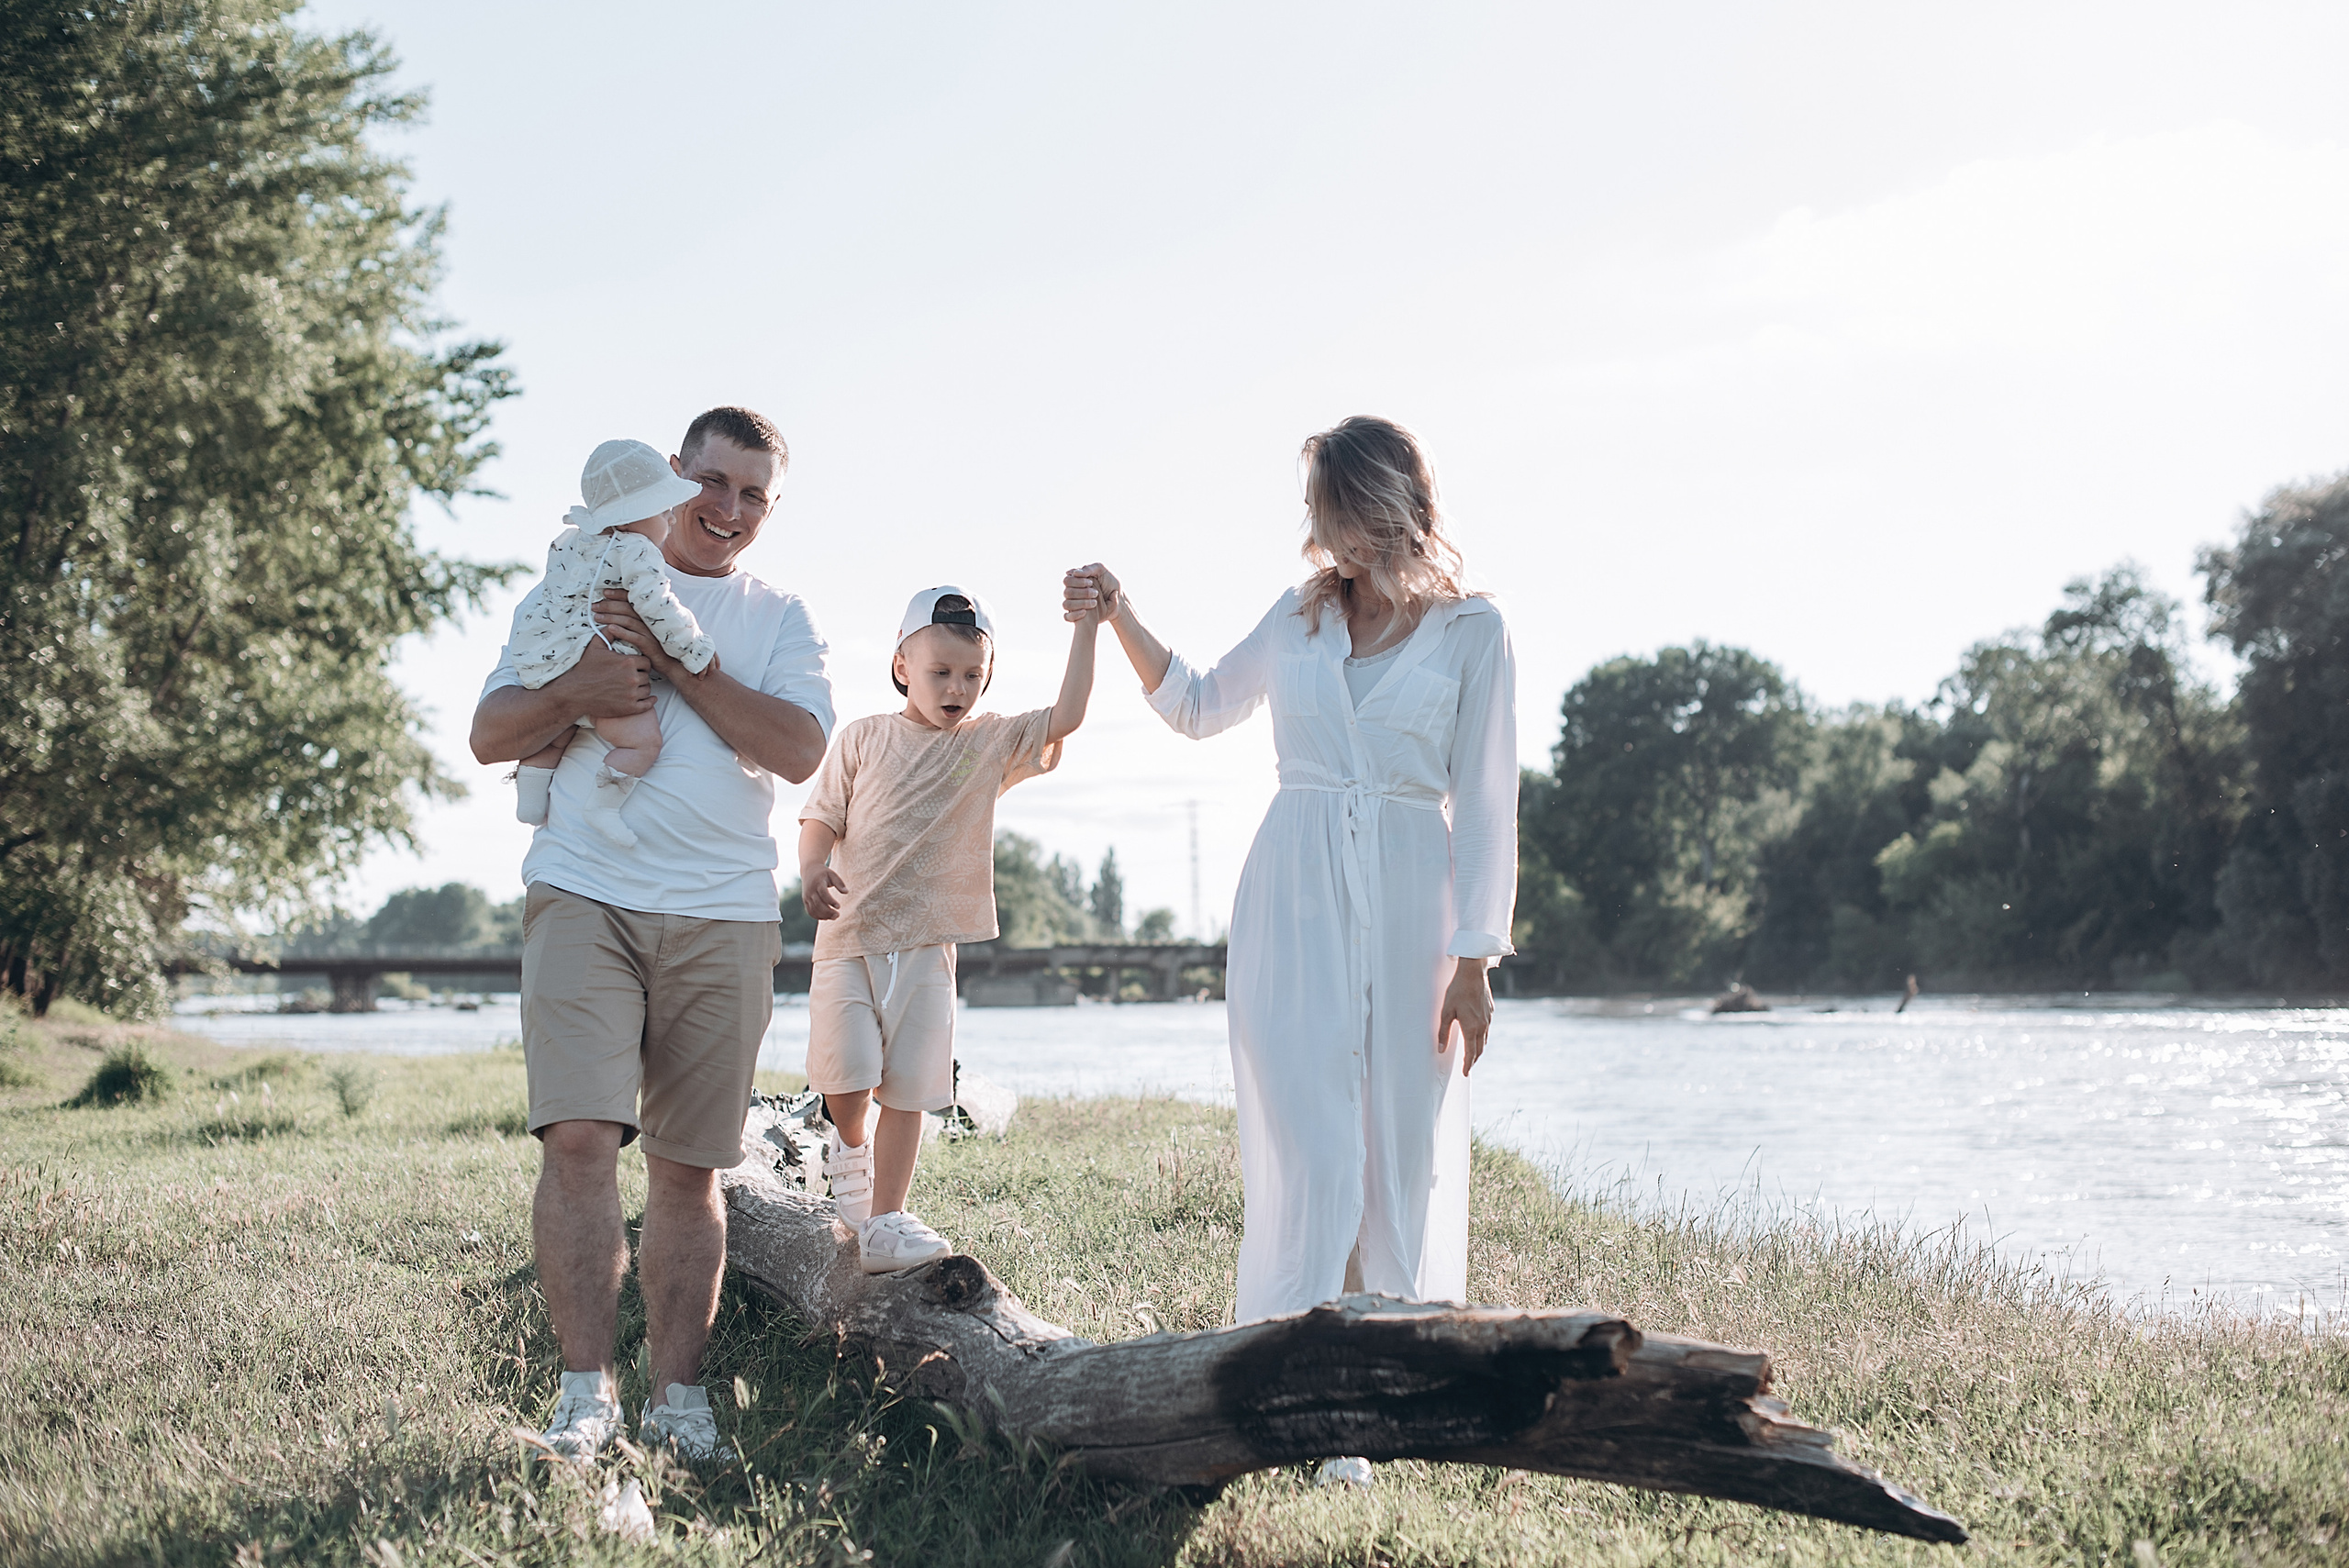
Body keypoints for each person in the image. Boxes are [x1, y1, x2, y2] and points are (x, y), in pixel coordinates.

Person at [1063, 414, 1515, 1490]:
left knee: (1393, 1150)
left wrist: (1475, 956)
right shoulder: (1299, 617)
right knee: (1316, 1146)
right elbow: (1196, 703)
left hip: (1413, 890)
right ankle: (1305, 1398)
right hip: (1293, 891)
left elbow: (1491, 797)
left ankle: (1379, 1382)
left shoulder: (1472, 632)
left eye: (1345, 514)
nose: (1331, 540)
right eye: (1321, 517)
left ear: (1397, 504)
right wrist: (1119, 613)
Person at [467, 406, 833, 1464]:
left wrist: (680, 665)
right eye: (712, 482)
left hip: (722, 911)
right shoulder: (578, 575)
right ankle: (587, 1396)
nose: (727, 509)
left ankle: (680, 1401)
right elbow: (491, 732)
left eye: (753, 493)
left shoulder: (778, 614)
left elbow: (800, 748)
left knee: (687, 1166)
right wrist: (579, 690)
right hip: (583, 886)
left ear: (769, 507)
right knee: (578, 1136)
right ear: (674, 477)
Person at [797, 584, 1100, 1272]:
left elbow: (1069, 715)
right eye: (941, 672)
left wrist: (1087, 628)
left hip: (931, 948)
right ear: (903, 665)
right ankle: (847, 1146)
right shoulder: (865, 737)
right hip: (850, 938)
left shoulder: (987, 743)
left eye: (972, 674)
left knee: (910, 1087)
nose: (958, 686)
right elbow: (821, 818)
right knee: (848, 1076)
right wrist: (814, 868)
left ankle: (885, 1221)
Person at [507, 439, 720, 848]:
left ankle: (531, 799)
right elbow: (657, 606)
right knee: (643, 741)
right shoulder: (637, 549)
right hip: (606, 670)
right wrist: (694, 648)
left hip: (545, 662)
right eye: (663, 512)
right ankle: (603, 807)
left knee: (557, 731)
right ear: (633, 515)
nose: (672, 521)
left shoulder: (568, 541)